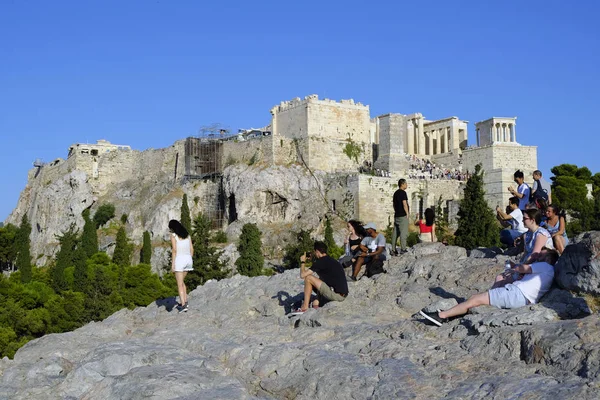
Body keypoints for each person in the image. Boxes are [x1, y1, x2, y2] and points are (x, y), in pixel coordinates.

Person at [420, 248, 559, 326]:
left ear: (548, 259)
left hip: (516, 295)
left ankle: (441, 316)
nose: (537, 258)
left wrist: (512, 265)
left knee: (475, 299)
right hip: (519, 295)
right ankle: (455, 312)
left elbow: (523, 268)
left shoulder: (546, 266)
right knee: (482, 295)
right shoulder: (546, 272)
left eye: (541, 256)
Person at [292, 241, 349, 314]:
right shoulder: (331, 261)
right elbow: (320, 272)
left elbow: (303, 275)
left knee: (308, 278)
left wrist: (303, 262)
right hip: (342, 294)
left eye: (314, 252)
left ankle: (304, 307)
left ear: (317, 251)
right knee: (320, 280)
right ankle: (316, 304)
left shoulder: (321, 262)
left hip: (336, 295)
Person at [169, 219, 194, 313]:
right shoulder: (187, 236)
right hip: (188, 260)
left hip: (180, 260)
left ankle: (183, 305)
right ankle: (185, 301)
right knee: (182, 281)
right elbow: (192, 249)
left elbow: (174, 250)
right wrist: (189, 259)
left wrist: (173, 264)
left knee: (179, 284)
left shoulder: (173, 236)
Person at [391, 179, 409, 255]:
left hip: (397, 215)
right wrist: (407, 213)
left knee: (395, 232)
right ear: (402, 184)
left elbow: (394, 204)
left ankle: (393, 249)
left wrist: (396, 211)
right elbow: (404, 203)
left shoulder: (395, 193)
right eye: (406, 183)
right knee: (403, 232)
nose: (407, 185)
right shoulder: (403, 193)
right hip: (402, 215)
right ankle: (403, 249)